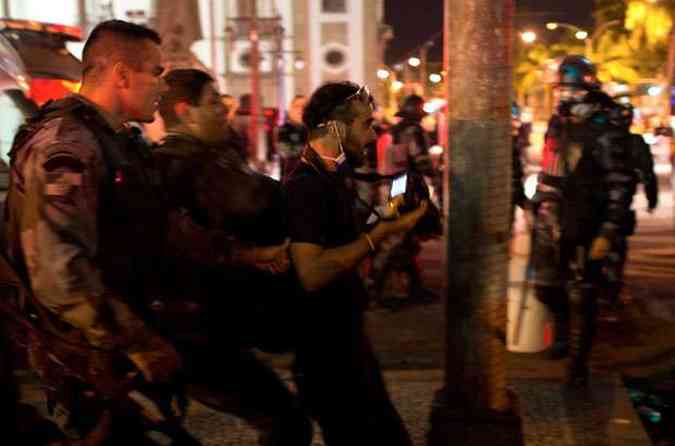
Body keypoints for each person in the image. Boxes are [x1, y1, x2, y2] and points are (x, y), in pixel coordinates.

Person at [2, 20, 185, 443]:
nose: (164, 85)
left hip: (116, 340)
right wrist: (139, 341)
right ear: (121, 74)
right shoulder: (67, 144)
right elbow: (58, 271)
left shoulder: (115, 140)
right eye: (156, 72)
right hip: (86, 351)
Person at [153, 68, 313, 446]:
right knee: (287, 423)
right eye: (213, 103)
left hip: (211, 321)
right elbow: (258, 200)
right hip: (195, 328)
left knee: (284, 418)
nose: (223, 111)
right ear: (185, 111)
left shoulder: (206, 155)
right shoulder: (185, 163)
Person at [284, 81, 428, 445]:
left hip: (347, 340)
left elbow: (349, 234)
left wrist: (391, 210)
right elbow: (312, 272)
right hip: (326, 356)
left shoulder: (335, 176)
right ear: (335, 127)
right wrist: (379, 235)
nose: (373, 133)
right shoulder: (306, 186)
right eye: (365, 124)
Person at [531, 55, 634, 386]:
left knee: (584, 293)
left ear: (587, 87)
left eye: (570, 87)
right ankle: (562, 334)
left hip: (590, 217)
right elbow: (550, 167)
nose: (563, 94)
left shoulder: (606, 126)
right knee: (545, 287)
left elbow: (620, 182)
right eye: (560, 87)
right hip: (553, 218)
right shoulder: (557, 121)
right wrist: (537, 203)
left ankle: (578, 361)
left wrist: (608, 230)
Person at [277, 95, 308, 179]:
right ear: (291, 109)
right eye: (297, 106)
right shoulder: (284, 130)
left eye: (304, 106)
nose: (301, 109)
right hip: (291, 180)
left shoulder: (312, 130)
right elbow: (287, 153)